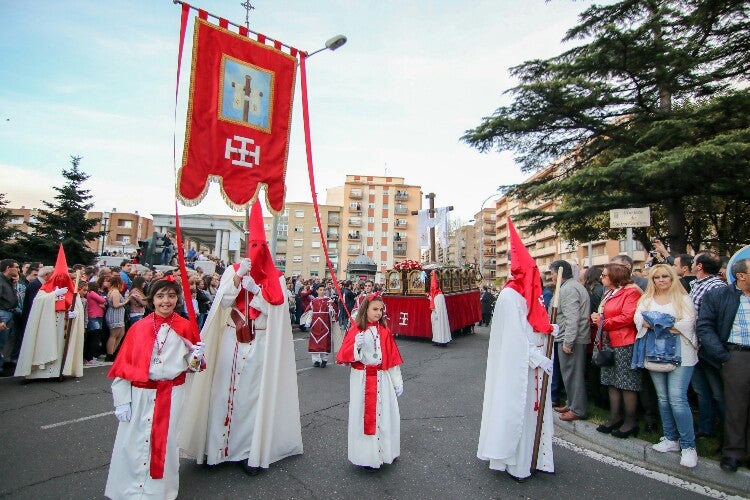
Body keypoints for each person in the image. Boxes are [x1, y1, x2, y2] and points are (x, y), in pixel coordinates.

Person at [180, 200, 302, 475]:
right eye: (253, 246)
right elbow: (221, 304)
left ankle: (248, 451)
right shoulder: (234, 271)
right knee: (222, 392)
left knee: (250, 398)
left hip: (259, 345)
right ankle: (217, 449)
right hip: (231, 340)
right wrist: (238, 281)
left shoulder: (278, 278)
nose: (257, 252)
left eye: (262, 247)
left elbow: (278, 313)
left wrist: (257, 292)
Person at [104, 277, 205, 500]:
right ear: (152, 299)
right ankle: (128, 490)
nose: (166, 301)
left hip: (171, 395)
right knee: (132, 443)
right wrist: (121, 401)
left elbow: (192, 368)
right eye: (160, 296)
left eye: (171, 295)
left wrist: (196, 357)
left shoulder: (186, 327)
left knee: (166, 443)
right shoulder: (138, 328)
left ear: (177, 298)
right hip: (140, 394)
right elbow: (123, 368)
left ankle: (158, 492)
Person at [477, 217, 557, 482]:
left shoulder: (529, 294)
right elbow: (512, 337)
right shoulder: (511, 296)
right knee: (518, 410)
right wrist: (535, 356)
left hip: (535, 359)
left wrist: (548, 330)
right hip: (520, 364)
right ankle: (515, 461)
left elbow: (534, 323)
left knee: (534, 412)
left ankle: (537, 460)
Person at [633, 264, 699, 468]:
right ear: (651, 280)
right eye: (656, 277)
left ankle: (689, 447)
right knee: (662, 398)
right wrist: (667, 325)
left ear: (672, 278)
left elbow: (687, 323)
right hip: (654, 353)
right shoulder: (646, 299)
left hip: (682, 354)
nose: (661, 280)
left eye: (665, 276)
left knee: (677, 399)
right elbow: (638, 318)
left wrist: (656, 324)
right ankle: (671, 439)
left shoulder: (683, 298)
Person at [336, 294, 403, 469]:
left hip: (383, 379)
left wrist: (397, 381)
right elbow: (344, 357)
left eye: (381, 309)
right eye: (375, 309)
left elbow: (392, 359)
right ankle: (367, 457)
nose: (379, 313)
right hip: (362, 379)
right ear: (365, 310)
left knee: (387, 415)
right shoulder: (356, 330)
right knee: (363, 417)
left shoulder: (384, 331)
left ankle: (387, 452)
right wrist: (355, 346)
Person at [696, 257, 750, 473]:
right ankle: (733, 453)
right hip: (736, 356)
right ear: (741, 276)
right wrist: (723, 355)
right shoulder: (719, 295)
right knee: (736, 407)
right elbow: (705, 326)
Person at [15, 247, 85, 380]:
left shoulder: (71, 290)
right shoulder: (45, 289)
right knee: (44, 345)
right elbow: (37, 303)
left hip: (63, 325)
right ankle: (40, 372)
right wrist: (53, 294)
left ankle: (60, 371)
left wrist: (74, 314)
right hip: (47, 324)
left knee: (61, 347)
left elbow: (77, 305)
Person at [591, 262, 642, 438]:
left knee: (626, 382)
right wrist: (597, 317)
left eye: (604, 275)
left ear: (615, 276)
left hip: (624, 342)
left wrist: (603, 322)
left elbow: (628, 317)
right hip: (608, 341)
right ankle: (615, 417)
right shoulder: (609, 292)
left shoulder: (631, 292)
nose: (601, 277)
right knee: (611, 381)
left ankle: (630, 422)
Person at [688, 251, 726, 439]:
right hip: (694, 346)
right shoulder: (696, 285)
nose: (692, 263)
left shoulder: (716, 287)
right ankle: (705, 428)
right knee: (701, 391)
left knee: (718, 393)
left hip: (709, 348)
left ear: (700, 266)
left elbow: (715, 321)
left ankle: (729, 433)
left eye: (694, 261)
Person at [549, 260, 591, 422]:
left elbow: (572, 317)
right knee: (568, 375)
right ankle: (572, 403)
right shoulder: (568, 287)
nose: (551, 276)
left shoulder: (569, 289)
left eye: (552, 273)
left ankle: (578, 409)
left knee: (573, 375)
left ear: (559, 273)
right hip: (568, 337)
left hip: (571, 339)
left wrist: (568, 342)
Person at [305, 284, 334, 367]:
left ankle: (324, 359)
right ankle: (316, 360)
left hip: (325, 324)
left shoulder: (328, 300)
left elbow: (332, 313)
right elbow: (310, 312)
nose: (322, 291)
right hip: (315, 325)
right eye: (320, 290)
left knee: (324, 341)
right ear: (317, 291)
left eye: (323, 290)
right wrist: (308, 322)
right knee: (315, 342)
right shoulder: (313, 301)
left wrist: (331, 307)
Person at [0, 260, 20, 368]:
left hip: (10, 313)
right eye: (16, 267)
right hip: (3, 314)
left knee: (8, 342)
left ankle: (4, 364)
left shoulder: (8, 281)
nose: (18, 269)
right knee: (1, 343)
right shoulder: (1, 281)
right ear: (8, 268)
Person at [105, 275, 130, 360]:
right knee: (114, 334)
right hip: (114, 314)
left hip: (119, 315)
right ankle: (110, 353)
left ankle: (114, 351)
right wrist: (125, 302)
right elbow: (116, 305)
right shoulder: (115, 292)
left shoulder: (112, 291)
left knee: (121, 333)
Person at [428, 272, 451, 346]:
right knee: (435, 327)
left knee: (440, 326)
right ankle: (436, 340)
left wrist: (435, 311)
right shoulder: (435, 295)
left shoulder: (440, 296)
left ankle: (442, 341)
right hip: (435, 314)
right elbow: (432, 301)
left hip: (439, 315)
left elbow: (438, 307)